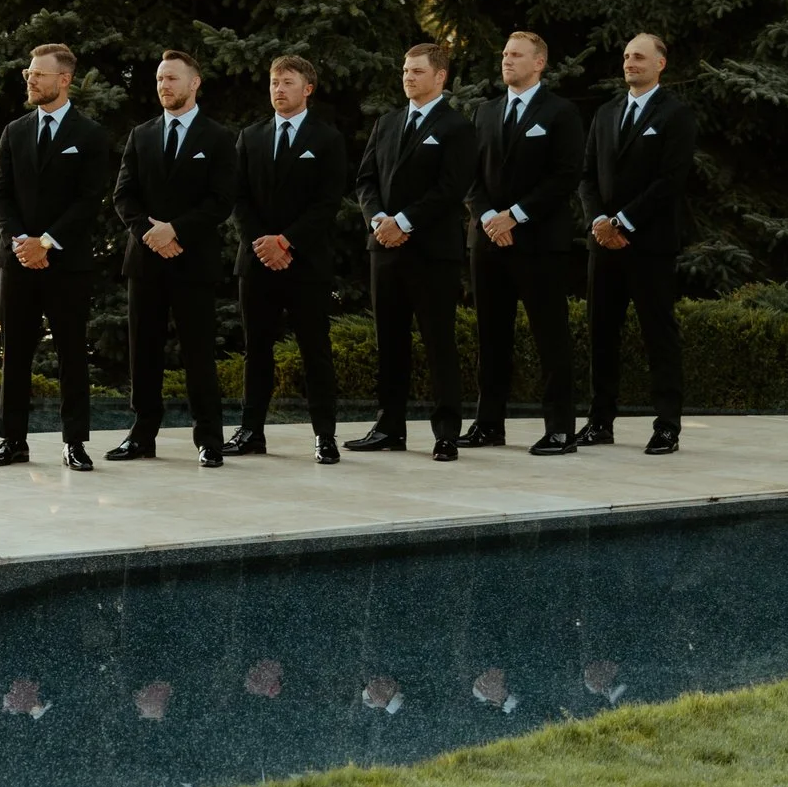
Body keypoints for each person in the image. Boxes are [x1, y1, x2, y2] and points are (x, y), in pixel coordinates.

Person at [349, 43, 479, 461]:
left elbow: (450, 188)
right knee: (389, 341)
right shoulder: (387, 123)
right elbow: (365, 180)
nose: (408, 77)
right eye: (405, 70)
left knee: (438, 342)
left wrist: (403, 222)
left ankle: (446, 433)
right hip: (384, 249)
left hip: (431, 252)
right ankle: (389, 428)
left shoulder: (457, 127)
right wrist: (378, 221)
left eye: (417, 71)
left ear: (440, 77)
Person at [0, 44, 112, 470]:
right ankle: (12, 441)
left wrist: (48, 242)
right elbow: (0, 194)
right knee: (15, 352)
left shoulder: (90, 135)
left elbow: (88, 200)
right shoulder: (15, 131)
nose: (30, 79)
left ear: (64, 79)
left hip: (67, 263)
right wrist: (23, 242)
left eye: (39, 74)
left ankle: (74, 442)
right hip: (18, 259)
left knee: (72, 354)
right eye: (29, 73)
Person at [110, 51, 237, 466]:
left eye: (172, 79)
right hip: (145, 260)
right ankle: (142, 435)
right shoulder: (141, 135)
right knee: (143, 352)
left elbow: (221, 200)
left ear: (194, 83)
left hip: (192, 260)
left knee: (198, 353)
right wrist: (151, 235)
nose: (164, 86)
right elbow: (123, 195)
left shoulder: (218, 137)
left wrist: (176, 230)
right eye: (160, 79)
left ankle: (209, 439)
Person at [464, 30, 585, 455]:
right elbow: (469, 176)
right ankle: (488, 425)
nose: (507, 60)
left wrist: (514, 215)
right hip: (488, 241)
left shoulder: (561, 112)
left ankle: (560, 430)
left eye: (516, 54)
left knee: (550, 337)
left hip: (539, 242)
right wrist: (488, 218)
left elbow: (565, 175)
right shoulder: (484, 112)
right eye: (504, 54)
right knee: (490, 336)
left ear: (539, 63)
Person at [580, 31, 697, 455]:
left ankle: (667, 426)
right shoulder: (606, 113)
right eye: (627, 56)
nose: (630, 63)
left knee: (658, 336)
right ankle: (600, 422)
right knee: (601, 334)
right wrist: (599, 222)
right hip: (603, 245)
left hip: (649, 245)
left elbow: (671, 180)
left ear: (659, 64)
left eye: (640, 57)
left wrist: (622, 222)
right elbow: (587, 176)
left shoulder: (676, 115)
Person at [231, 56, 348, 463]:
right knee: (256, 350)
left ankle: (324, 435)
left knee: (315, 350)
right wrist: (263, 244)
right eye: (274, 82)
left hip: (306, 263)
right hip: (257, 262)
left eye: (287, 82)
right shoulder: (250, 137)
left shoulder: (327, 139)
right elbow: (238, 198)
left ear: (307, 89)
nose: (278, 89)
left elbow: (327, 202)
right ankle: (251, 431)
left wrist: (286, 242)